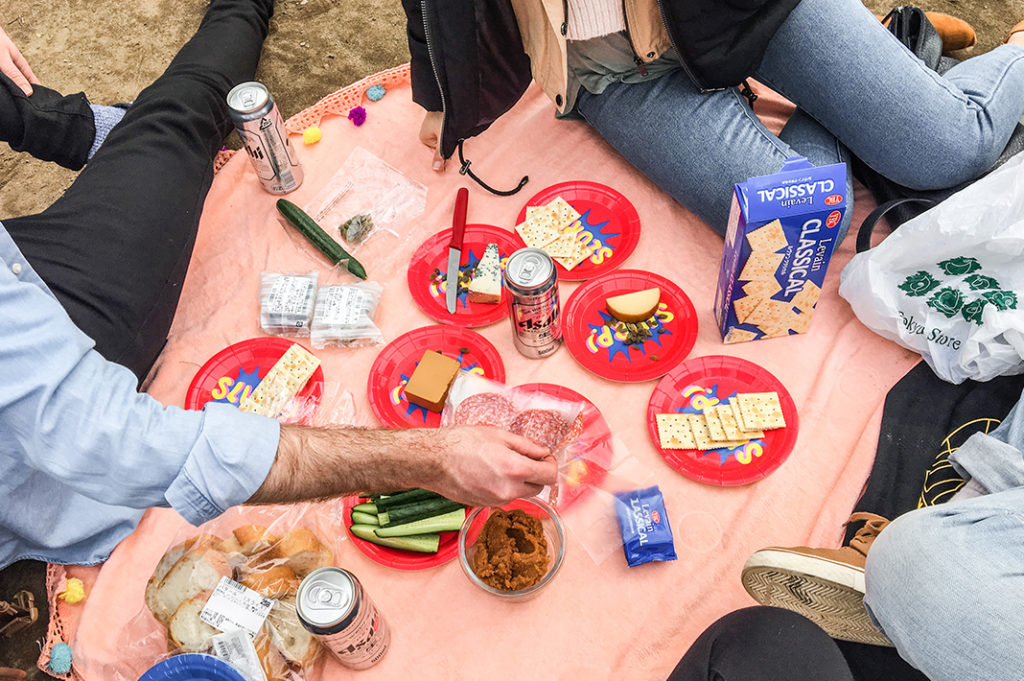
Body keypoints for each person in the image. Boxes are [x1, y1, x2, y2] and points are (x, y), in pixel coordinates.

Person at [0, 0, 556, 571]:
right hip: (65, 340)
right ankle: (132, 131)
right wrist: (431, 459)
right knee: (183, 112)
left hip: (24, 267)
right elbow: (132, 444)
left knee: (168, 124)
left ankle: (84, 130)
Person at [403, 0, 1024, 241]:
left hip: (747, 15)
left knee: (951, 149)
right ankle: (890, 47)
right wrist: (438, 91)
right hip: (610, 71)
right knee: (797, 226)